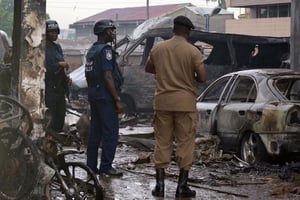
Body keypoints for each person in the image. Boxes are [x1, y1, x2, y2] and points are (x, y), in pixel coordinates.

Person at [145, 15, 206, 198]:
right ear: (188, 31)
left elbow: (149, 68)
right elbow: (202, 78)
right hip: (185, 103)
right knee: (185, 143)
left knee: (162, 142)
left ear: (173, 29)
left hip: (162, 102)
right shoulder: (193, 51)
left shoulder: (158, 48)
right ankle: (181, 187)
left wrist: (164, 71)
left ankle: (160, 186)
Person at [85, 19, 124, 177]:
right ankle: (106, 167)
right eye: (110, 30)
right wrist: (117, 99)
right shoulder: (106, 50)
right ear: (103, 32)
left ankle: (90, 166)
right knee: (110, 132)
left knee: (95, 132)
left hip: (94, 94)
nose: (113, 33)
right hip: (105, 96)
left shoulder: (92, 50)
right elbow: (108, 76)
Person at [45, 19, 71, 133]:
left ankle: (54, 143)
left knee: (60, 117)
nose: (54, 34)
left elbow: (61, 67)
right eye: (51, 32)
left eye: (56, 31)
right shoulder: (40, 49)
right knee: (50, 117)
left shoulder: (57, 48)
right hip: (48, 88)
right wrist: (57, 64)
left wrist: (66, 78)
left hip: (59, 88)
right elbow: (42, 68)